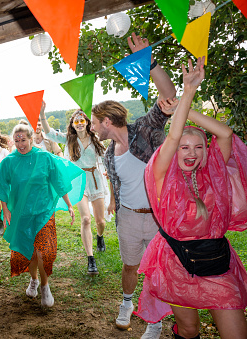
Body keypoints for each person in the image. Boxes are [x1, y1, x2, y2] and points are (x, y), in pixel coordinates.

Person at [136, 57, 247, 339]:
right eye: (184, 147)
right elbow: (171, 139)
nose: (191, 153)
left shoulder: (213, 173)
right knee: (188, 328)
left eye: (198, 147)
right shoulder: (162, 174)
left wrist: (186, 112)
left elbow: (225, 133)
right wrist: (186, 95)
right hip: (175, 261)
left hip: (216, 261)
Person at [89, 32, 176, 338]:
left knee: (155, 270)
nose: (91, 127)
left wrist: (150, 63)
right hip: (127, 216)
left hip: (156, 216)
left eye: (93, 121)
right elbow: (118, 181)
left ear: (106, 121)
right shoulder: (109, 153)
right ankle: (126, 303)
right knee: (130, 267)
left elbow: (170, 97)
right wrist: (113, 200)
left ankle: (154, 322)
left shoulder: (145, 128)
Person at [0, 123, 84, 307]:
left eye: (23, 140)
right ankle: (33, 280)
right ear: (13, 141)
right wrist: (5, 209)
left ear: (31, 139)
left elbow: (58, 181)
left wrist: (69, 205)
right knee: (30, 252)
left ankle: (45, 286)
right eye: (17, 140)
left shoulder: (44, 158)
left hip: (43, 212)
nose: (20, 143)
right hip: (22, 213)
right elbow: (2, 187)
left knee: (44, 251)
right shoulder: (8, 162)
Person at [40, 103, 107, 276]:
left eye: (82, 120)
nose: (79, 123)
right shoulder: (69, 139)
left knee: (100, 222)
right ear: (72, 124)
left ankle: (100, 236)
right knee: (85, 219)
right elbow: (50, 134)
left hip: (95, 180)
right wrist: (42, 114)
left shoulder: (96, 139)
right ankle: (90, 259)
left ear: (87, 122)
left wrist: (109, 171)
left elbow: (106, 157)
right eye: (75, 121)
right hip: (78, 181)